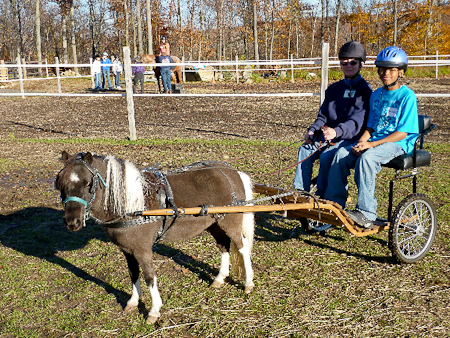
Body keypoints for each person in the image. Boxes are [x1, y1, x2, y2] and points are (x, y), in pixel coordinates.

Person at [324, 46, 419, 229]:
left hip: (398, 143)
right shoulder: (376, 95)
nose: (386, 74)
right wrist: (362, 141)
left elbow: (402, 133)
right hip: (375, 139)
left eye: (391, 70)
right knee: (340, 155)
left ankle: (367, 213)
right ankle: (335, 205)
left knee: (367, 159)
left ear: (400, 72)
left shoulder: (407, 96)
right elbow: (370, 126)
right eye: (382, 69)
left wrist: (371, 144)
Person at [293, 41, 372, 200]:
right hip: (330, 135)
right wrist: (313, 130)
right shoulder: (334, 89)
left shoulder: (365, 91)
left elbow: (356, 122)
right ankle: (300, 193)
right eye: (344, 62)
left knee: (326, 156)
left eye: (353, 62)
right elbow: (323, 115)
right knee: (304, 150)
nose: (348, 66)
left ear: (360, 64)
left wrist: (336, 131)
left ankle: (323, 197)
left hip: (350, 138)